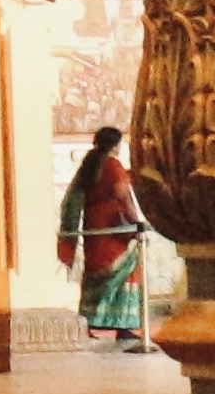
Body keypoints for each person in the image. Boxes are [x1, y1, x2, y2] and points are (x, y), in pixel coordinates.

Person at [57, 124, 150, 351]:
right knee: (127, 271)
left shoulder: (89, 164)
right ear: (117, 145)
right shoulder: (112, 166)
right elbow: (122, 195)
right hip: (113, 226)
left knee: (96, 271)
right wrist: (135, 220)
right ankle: (123, 325)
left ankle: (89, 320)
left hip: (93, 223)